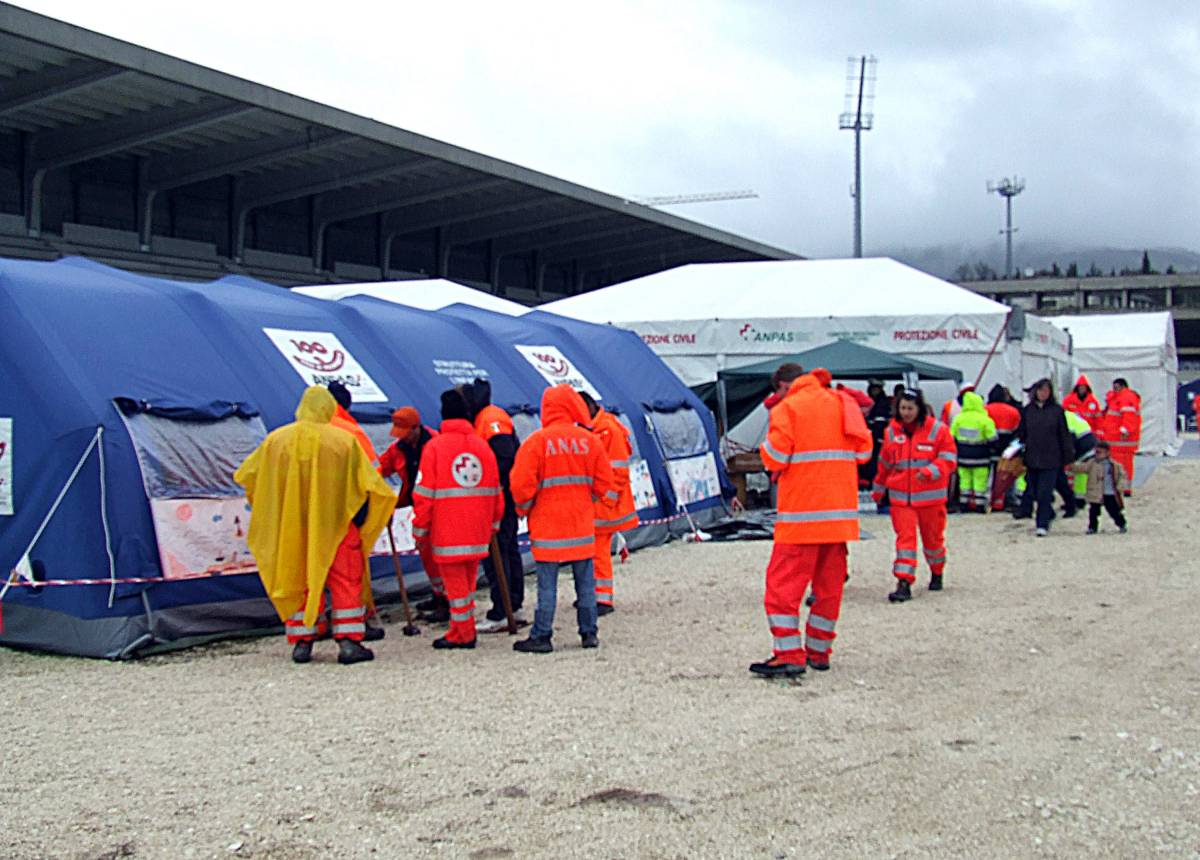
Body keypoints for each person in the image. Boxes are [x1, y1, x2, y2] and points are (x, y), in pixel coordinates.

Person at [234, 387, 396, 665]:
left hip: (292, 527)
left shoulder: (276, 440)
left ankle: (302, 641)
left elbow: (249, 477)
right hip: (338, 525)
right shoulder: (344, 441)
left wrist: (277, 509)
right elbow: (368, 485)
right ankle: (348, 643)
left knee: (298, 579)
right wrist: (363, 519)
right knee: (345, 581)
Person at [750, 367, 872, 678]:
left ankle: (789, 653)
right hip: (839, 517)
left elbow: (776, 456)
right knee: (829, 588)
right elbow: (865, 451)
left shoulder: (788, 408)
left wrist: (764, 450)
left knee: (782, 589)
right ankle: (819, 651)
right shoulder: (842, 401)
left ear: (784, 386)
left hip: (801, 516)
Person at [510, 385, 616, 654]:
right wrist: (591, 502)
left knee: (547, 586)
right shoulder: (589, 440)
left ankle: (542, 635)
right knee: (586, 584)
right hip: (580, 525)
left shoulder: (536, 442)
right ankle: (589, 633)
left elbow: (521, 485)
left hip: (547, 528)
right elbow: (606, 484)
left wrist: (523, 509)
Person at [412, 389, 504, 650]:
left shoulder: (435, 448)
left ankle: (463, 633)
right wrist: (494, 524)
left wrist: (420, 530)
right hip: (478, 531)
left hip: (448, 532)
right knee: (468, 583)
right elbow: (496, 491)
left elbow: (424, 494)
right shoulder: (482, 446)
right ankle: (463, 627)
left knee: (455, 587)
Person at [873, 389, 957, 603]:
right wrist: (879, 488)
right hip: (901, 498)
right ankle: (904, 582)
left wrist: (930, 471)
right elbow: (885, 463)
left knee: (933, 541)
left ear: (919, 408)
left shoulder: (939, 431)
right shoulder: (891, 432)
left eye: (910, 408)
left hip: (930, 498)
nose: (906, 413)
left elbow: (949, 459)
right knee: (905, 541)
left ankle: (937, 570)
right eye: (903, 408)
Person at [462, 378, 525, 633]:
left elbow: (504, 457)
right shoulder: (489, 417)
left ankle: (502, 609)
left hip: (499, 498)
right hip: (505, 495)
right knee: (509, 551)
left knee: (498, 553)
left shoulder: (490, 419)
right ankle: (513, 605)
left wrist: (489, 487)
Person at [378, 407, 445, 619]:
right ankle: (438, 595)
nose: (402, 436)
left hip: (441, 507)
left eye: (405, 431)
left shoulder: (436, 442)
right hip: (419, 506)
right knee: (426, 554)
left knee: (441, 556)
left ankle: (448, 600)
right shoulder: (397, 449)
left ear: (417, 428)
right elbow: (379, 470)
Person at [579, 391, 639, 614]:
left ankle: (603, 599)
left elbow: (619, 471)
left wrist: (607, 499)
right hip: (601, 502)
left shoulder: (608, 430)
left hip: (606, 504)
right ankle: (595, 594)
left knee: (599, 551)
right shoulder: (598, 428)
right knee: (593, 551)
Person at [1014, 379, 1075, 537]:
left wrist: (1068, 456)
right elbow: (1022, 433)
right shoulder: (1028, 411)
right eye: (1041, 391)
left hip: (1052, 458)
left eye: (1046, 391)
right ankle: (1056, 510)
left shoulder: (1056, 411)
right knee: (1034, 490)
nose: (1043, 394)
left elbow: (1064, 435)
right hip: (1032, 458)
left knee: (1045, 493)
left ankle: (1042, 524)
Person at [949, 390, 997, 513]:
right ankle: (980, 505)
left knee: (965, 481)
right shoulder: (985, 419)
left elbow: (951, 437)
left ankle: (964, 504)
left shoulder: (958, 419)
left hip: (963, 457)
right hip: (981, 457)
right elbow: (992, 439)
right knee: (980, 481)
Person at [1072, 440, 1128, 534]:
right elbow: (1082, 468)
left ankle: (1121, 524)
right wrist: (1072, 467)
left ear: (1107, 453)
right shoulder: (1092, 463)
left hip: (1109, 492)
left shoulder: (1114, 465)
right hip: (1095, 492)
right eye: (1096, 452)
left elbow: (1122, 476)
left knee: (1113, 510)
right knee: (1093, 512)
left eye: (1099, 452)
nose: (1097, 454)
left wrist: (1120, 486)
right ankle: (1092, 527)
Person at [1100, 378, 1141, 494]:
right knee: (1117, 465)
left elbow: (1129, 416)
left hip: (1123, 440)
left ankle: (1124, 487)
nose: (1114, 389)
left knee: (1125, 465)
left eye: (1116, 387)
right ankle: (1119, 486)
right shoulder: (1116, 399)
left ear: (1123, 386)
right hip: (1115, 440)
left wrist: (1125, 430)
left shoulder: (1127, 398)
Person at [985, 385, 1022, 511]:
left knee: (987, 477)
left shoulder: (985, 410)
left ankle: (989, 499)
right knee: (1007, 477)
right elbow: (1018, 433)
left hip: (988, 449)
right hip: (1007, 450)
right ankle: (1008, 500)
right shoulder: (1013, 411)